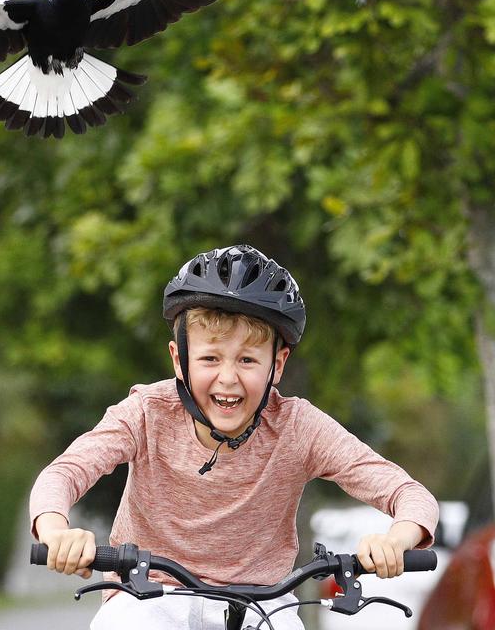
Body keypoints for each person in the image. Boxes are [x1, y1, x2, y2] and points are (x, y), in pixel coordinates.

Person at [30, 244, 439, 630]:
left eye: (247, 360)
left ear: (277, 365)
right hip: (149, 597)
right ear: (179, 359)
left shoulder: (298, 427)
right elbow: (64, 473)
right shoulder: (147, 412)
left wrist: (395, 540)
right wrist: (55, 532)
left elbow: (411, 495)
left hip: (261, 603)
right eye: (210, 358)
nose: (228, 378)